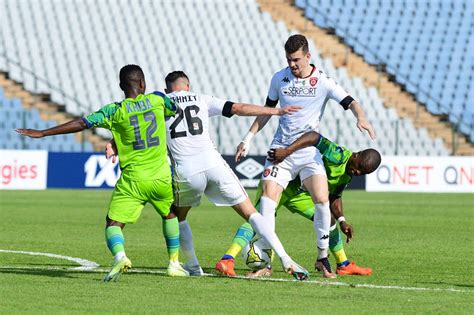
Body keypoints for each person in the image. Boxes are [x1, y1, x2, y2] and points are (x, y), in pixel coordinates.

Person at [107, 70, 310, 280]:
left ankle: (193, 266)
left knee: (177, 217)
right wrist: (274, 112)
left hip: (186, 171)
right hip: (214, 165)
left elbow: (137, 125)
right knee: (251, 213)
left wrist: (114, 143)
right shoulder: (201, 99)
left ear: (168, 89)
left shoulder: (159, 101)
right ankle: (286, 258)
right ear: (188, 86)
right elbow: (238, 108)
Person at [16, 64, 189, 281]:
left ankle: (121, 257)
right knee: (170, 214)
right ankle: (173, 263)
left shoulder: (114, 111)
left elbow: (81, 123)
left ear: (121, 86)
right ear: (143, 84)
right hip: (161, 176)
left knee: (113, 224)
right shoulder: (157, 100)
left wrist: (43, 132)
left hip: (133, 180)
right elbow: (173, 110)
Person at [234, 34, 376, 278]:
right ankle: (265, 263)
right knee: (269, 201)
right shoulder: (279, 78)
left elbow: (352, 101)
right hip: (280, 150)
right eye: (289, 60)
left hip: (308, 152)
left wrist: (360, 117)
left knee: (322, 199)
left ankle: (322, 258)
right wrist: (248, 138)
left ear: (308, 56)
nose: (292, 65)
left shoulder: (322, 81)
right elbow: (268, 111)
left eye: (296, 60)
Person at [216, 131, 381, 278]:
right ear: (356, 155)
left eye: (363, 173)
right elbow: (314, 136)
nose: (358, 173)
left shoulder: (348, 173)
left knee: (328, 221)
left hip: (300, 195)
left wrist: (342, 220)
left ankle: (343, 265)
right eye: (359, 167)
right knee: (257, 220)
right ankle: (228, 259)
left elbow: (335, 197)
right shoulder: (337, 155)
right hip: (282, 184)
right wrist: (287, 152)